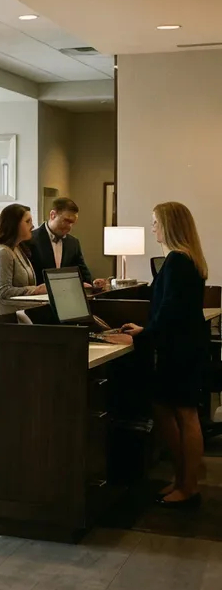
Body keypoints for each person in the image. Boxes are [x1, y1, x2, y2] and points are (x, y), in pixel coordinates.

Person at [106, 202, 210, 508]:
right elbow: (170, 308)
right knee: (167, 410)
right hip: (184, 345)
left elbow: (170, 311)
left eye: (155, 222)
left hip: (179, 350)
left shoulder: (177, 260)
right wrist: (144, 330)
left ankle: (188, 486)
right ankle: (183, 479)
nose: (152, 228)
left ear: (169, 225)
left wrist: (141, 335)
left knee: (183, 413)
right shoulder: (188, 259)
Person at [28, 197, 107, 289]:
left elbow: (82, 272)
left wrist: (94, 282)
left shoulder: (73, 243)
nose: (69, 227)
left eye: (72, 223)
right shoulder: (30, 240)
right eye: (66, 221)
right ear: (53, 215)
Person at [0, 204, 47, 302]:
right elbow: (2, 292)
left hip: (19, 309)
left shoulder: (18, 248)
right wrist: (36, 290)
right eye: (27, 221)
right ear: (14, 224)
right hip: (2, 310)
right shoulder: (2, 252)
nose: (32, 226)